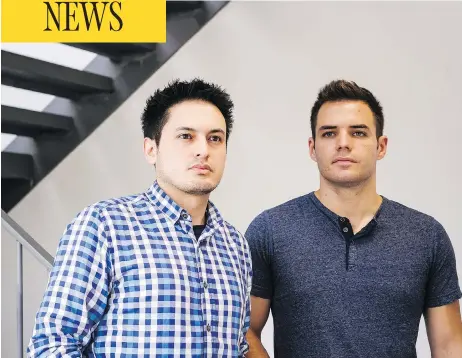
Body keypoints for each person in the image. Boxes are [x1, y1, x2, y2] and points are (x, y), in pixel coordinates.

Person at [27, 78, 252, 357]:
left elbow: (239, 348)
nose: (203, 150)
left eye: (215, 138)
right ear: (151, 149)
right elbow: (52, 345)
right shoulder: (104, 226)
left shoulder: (236, 246)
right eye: (186, 136)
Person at [245, 80, 462, 358]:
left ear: (381, 146)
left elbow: (449, 345)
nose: (343, 144)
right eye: (329, 134)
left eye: (358, 133)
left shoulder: (426, 235)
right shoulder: (270, 231)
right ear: (312, 148)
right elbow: (244, 330)